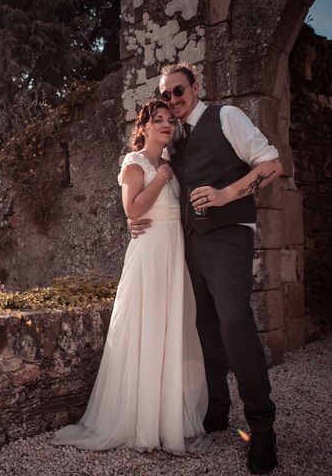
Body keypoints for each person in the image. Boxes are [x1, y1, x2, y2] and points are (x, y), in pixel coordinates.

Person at [130, 62, 282, 474]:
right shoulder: (173, 139)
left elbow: (271, 165)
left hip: (228, 236)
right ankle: (217, 411)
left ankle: (262, 427)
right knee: (204, 329)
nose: (174, 101)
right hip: (188, 245)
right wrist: (134, 216)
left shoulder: (226, 117)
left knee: (235, 321)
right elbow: (143, 182)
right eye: (168, 95)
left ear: (195, 88)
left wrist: (225, 194)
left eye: (179, 92)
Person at [52, 101, 210, 455]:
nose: (166, 125)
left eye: (170, 120)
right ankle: (142, 423)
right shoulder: (134, 162)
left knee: (171, 330)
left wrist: (169, 174)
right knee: (148, 328)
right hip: (149, 254)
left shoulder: (169, 164)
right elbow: (133, 209)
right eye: (158, 121)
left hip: (173, 255)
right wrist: (163, 179)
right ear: (144, 128)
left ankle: (168, 420)